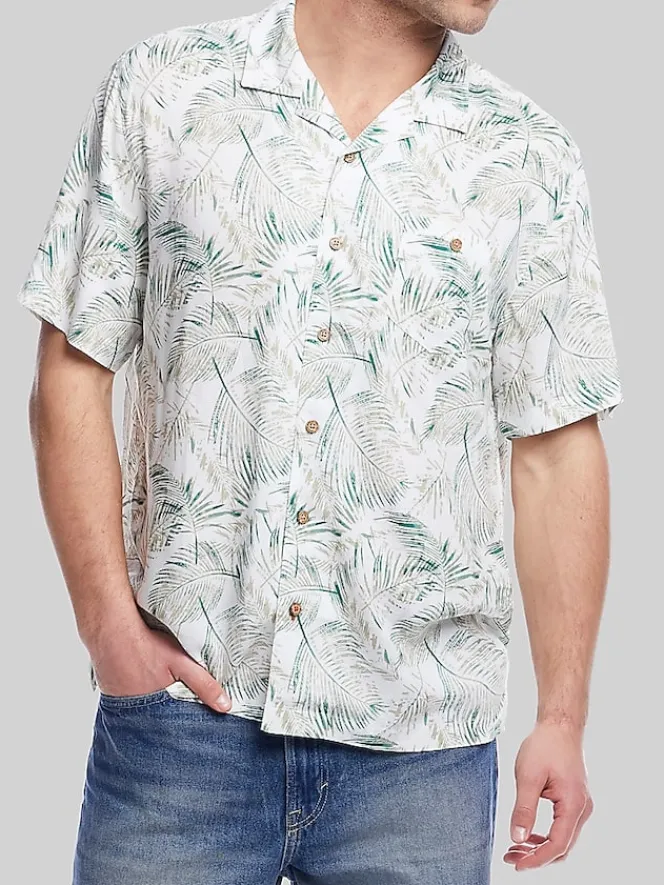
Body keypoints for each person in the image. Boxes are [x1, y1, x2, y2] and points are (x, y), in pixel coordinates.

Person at [17, 0, 623, 882]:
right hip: (184, 728)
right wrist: (109, 629)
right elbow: (75, 363)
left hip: (423, 756)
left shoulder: (529, 156)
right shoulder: (167, 89)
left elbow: (556, 447)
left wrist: (562, 716)